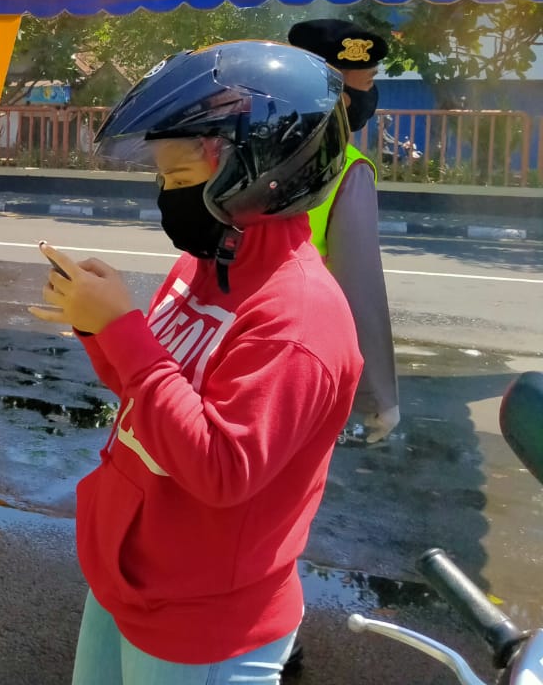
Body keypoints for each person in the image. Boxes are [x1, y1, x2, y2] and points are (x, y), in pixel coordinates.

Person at [30, 40, 364, 685]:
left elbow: (220, 468)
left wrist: (124, 331)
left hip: (206, 624)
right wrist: (99, 329)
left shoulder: (299, 319)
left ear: (262, 172)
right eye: (162, 177)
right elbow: (147, 393)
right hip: (130, 584)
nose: (165, 195)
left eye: (181, 179)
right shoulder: (208, 263)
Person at [288, 18, 399, 444]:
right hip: (300, 351)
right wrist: (378, 396)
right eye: (367, 81)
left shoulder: (252, 148)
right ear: (341, 97)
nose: (371, 93)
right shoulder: (346, 168)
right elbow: (360, 289)